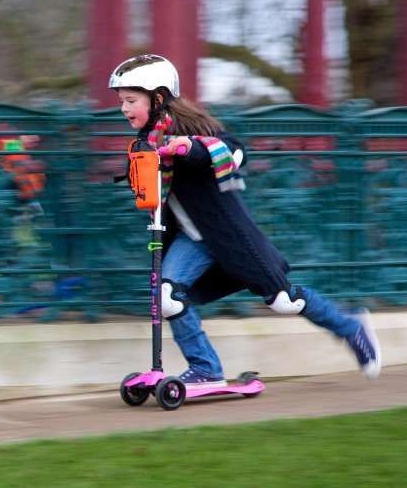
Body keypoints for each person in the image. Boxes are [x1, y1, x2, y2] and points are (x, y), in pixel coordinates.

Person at [108, 54, 381, 389]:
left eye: (131, 100)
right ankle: (206, 369)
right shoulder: (145, 143)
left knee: (284, 301)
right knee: (166, 297)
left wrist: (188, 149)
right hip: (193, 240)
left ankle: (351, 327)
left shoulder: (193, 130)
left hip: (228, 236)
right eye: (121, 102)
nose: (124, 108)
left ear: (158, 98)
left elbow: (233, 152)